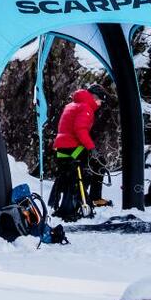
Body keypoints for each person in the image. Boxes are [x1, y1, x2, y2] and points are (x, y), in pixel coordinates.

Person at [49, 85, 105, 221]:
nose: (100, 104)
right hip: (74, 148)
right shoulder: (86, 108)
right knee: (81, 177)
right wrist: (91, 148)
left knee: (67, 177)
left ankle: (62, 206)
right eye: (100, 101)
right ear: (95, 97)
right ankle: (73, 209)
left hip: (61, 148)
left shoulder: (72, 105)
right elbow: (80, 129)